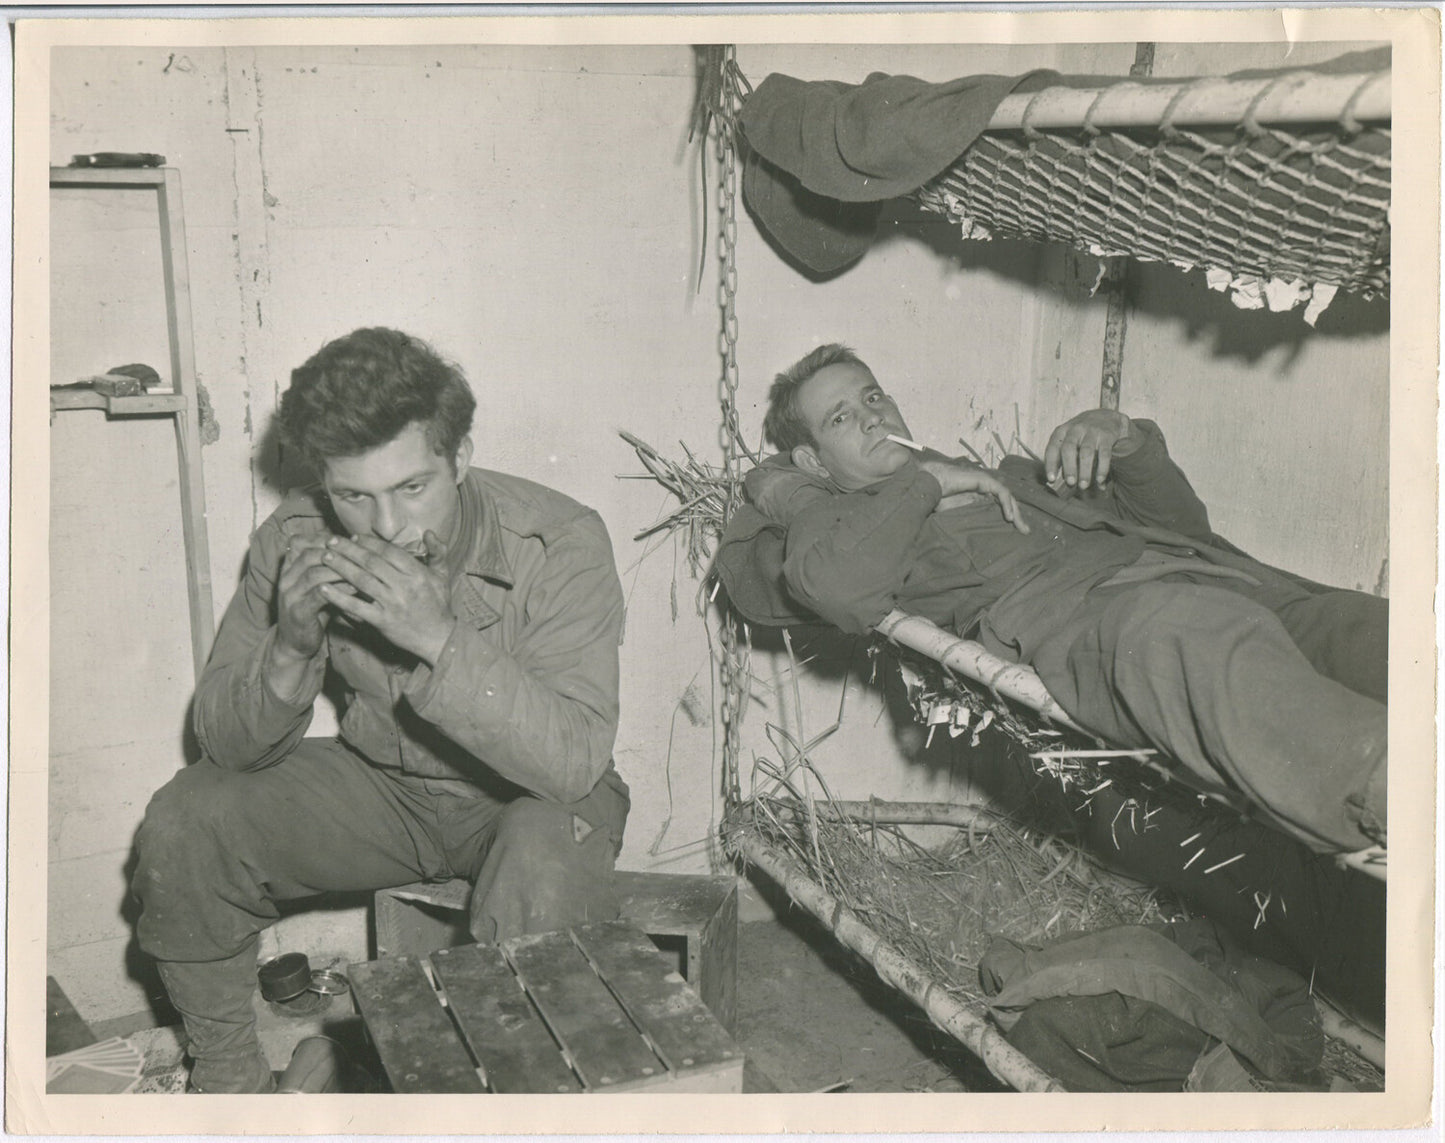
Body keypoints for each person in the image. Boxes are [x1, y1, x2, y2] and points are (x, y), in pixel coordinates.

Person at [131, 328, 630, 1093]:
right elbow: (223, 749)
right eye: (353, 496)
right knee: (187, 818)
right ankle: (232, 1087)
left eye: (412, 488)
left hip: (526, 795)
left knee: (543, 856)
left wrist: (437, 636)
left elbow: (570, 760)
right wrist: (291, 650)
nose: (386, 526)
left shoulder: (558, 539)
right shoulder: (296, 537)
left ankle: (512, 1098)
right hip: (387, 791)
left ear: (460, 458)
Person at [720, 343, 1386, 857]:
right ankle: (1396, 787)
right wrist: (917, 486)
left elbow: (1185, 529)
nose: (872, 416)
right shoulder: (841, 531)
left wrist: (1125, 441)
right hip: (1105, 625)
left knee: (1369, 629)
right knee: (1180, 632)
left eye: (872, 397)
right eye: (842, 417)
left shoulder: (1010, 475)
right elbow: (821, 583)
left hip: (1225, 582)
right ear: (812, 461)